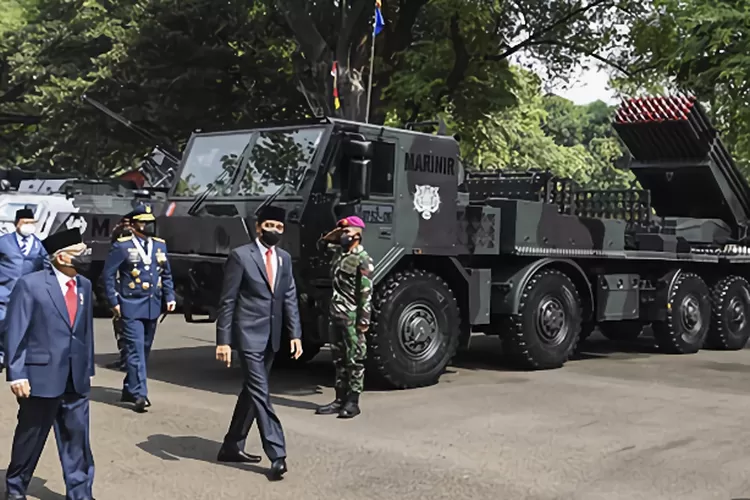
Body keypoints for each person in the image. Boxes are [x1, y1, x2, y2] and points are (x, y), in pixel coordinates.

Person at [3, 228, 95, 500]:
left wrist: (87, 368)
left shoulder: (84, 286)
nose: (85, 257)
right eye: (79, 253)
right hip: (40, 376)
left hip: (75, 376)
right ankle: (16, 487)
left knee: (77, 438)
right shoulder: (31, 285)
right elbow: (16, 331)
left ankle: (80, 493)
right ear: (62, 257)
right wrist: (16, 373)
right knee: (30, 437)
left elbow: (85, 331)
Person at [215, 204, 303, 481]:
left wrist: (296, 334)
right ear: (258, 227)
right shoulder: (241, 256)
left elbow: (289, 296)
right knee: (262, 393)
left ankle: (232, 445)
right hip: (249, 335)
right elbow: (228, 300)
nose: (274, 231)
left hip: (273, 337)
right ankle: (277, 454)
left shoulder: (284, 259)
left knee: (251, 392)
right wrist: (223, 340)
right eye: (269, 226)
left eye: (279, 227)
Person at [101, 204, 175, 413]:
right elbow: (108, 276)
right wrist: (114, 301)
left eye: (151, 223)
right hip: (131, 304)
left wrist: (169, 296)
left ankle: (129, 388)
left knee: (144, 349)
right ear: (133, 226)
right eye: (144, 223)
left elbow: (166, 274)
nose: (148, 226)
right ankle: (140, 394)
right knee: (134, 350)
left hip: (153, 305)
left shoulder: (160, 245)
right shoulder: (122, 246)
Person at [315, 216, 374, 419]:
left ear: (358, 234)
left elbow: (365, 292)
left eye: (348, 232)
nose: (344, 236)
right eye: (343, 232)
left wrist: (364, 320)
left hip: (352, 316)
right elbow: (321, 245)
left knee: (354, 359)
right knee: (339, 359)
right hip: (336, 314)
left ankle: (353, 401)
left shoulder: (362, 258)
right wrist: (336, 232)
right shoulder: (339, 254)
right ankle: (339, 399)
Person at [0, 208, 49, 373]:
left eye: (31, 223)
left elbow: (46, 265)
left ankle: (12, 357)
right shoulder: (4, 242)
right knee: (2, 324)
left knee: (20, 327)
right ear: (17, 223)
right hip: (4, 291)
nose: (28, 226)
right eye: (25, 222)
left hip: (26, 294)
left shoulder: (38, 244)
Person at [105, 216, 132, 371]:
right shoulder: (118, 234)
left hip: (126, 289)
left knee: (125, 327)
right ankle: (124, 357)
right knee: (119, 326)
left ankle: (127, 359)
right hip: (119, 286)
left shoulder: (125, 239)